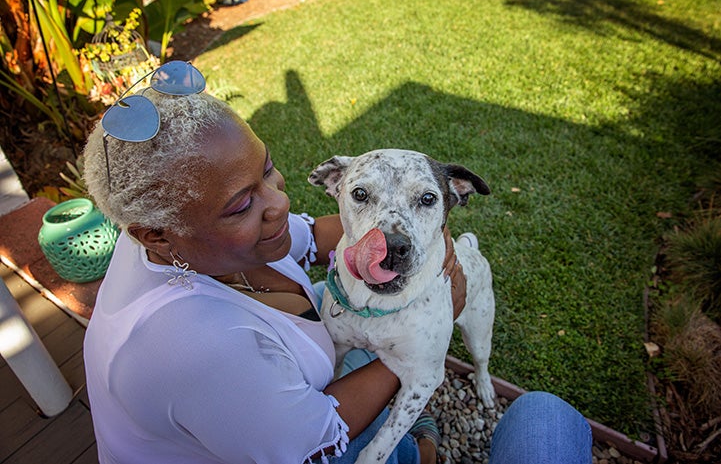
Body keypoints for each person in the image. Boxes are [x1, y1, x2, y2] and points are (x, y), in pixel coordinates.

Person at [82, 61, 592, 464]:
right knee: (546, 414)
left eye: (268, 170)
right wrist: (423, 351)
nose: (278, 204)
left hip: (268, 407)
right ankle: (425, 452)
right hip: (293, 444)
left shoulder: (182, 240)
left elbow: (318, 232)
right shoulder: (198, 351)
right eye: (242, 204)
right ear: (155, 233)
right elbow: (314, 443)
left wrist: (433, 234)